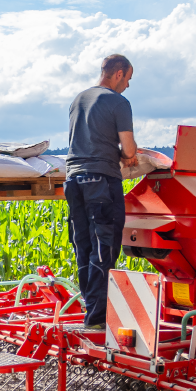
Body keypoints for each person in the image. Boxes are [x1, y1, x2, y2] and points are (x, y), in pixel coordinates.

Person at [65, 54, 140, 329]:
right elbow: (129, 149)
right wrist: (127, 154)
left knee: (83, 246)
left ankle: (91, 311)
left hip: (73, 180)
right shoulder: (118, 102)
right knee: (104, 247)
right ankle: (97, 319)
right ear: (118, 74)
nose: (128, 86)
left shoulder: (78, 99)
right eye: (129, 79)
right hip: (102, 181)